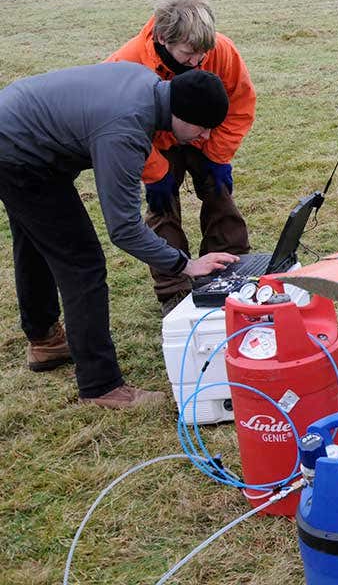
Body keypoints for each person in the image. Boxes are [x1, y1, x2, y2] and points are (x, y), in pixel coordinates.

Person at [0, 63, 239, 407]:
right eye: (202, 128)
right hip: (17, 152)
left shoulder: (147, 85)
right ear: (182, 114)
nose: (204, 137)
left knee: (37, 239)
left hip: (17, 129)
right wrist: (185, 265)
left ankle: (45, 340)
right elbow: (124, 229)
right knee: (82, 263)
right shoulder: (125, 130)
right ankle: (101, 386)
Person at [106, 0, 256, 315]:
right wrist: (156, 172)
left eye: (205, 52)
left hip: (205, 138)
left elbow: (240, 106)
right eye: (189, 53)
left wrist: (217, 155)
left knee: (220, 198)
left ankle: (231, 268)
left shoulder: (221, 51)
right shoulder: (126, 63)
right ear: (163, 37)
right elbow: (118, 127)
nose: (198, 61)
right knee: (163, 211)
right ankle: (174, 289)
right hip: (154, 143)